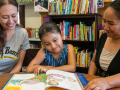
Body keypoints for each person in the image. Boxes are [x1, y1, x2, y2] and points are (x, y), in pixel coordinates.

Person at [84, 1, 120, 90]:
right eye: (104, 21)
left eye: (111, 23)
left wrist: (107, 82)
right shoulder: (104, 37)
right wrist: (90, 79)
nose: (105, 27)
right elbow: (93, 62)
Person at [0, 0, 30, 75]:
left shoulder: (22, 33)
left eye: (14, 16)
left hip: (10, 77)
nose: (10, 21)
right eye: (5, 17)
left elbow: (19, 65)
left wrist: (6, 79)